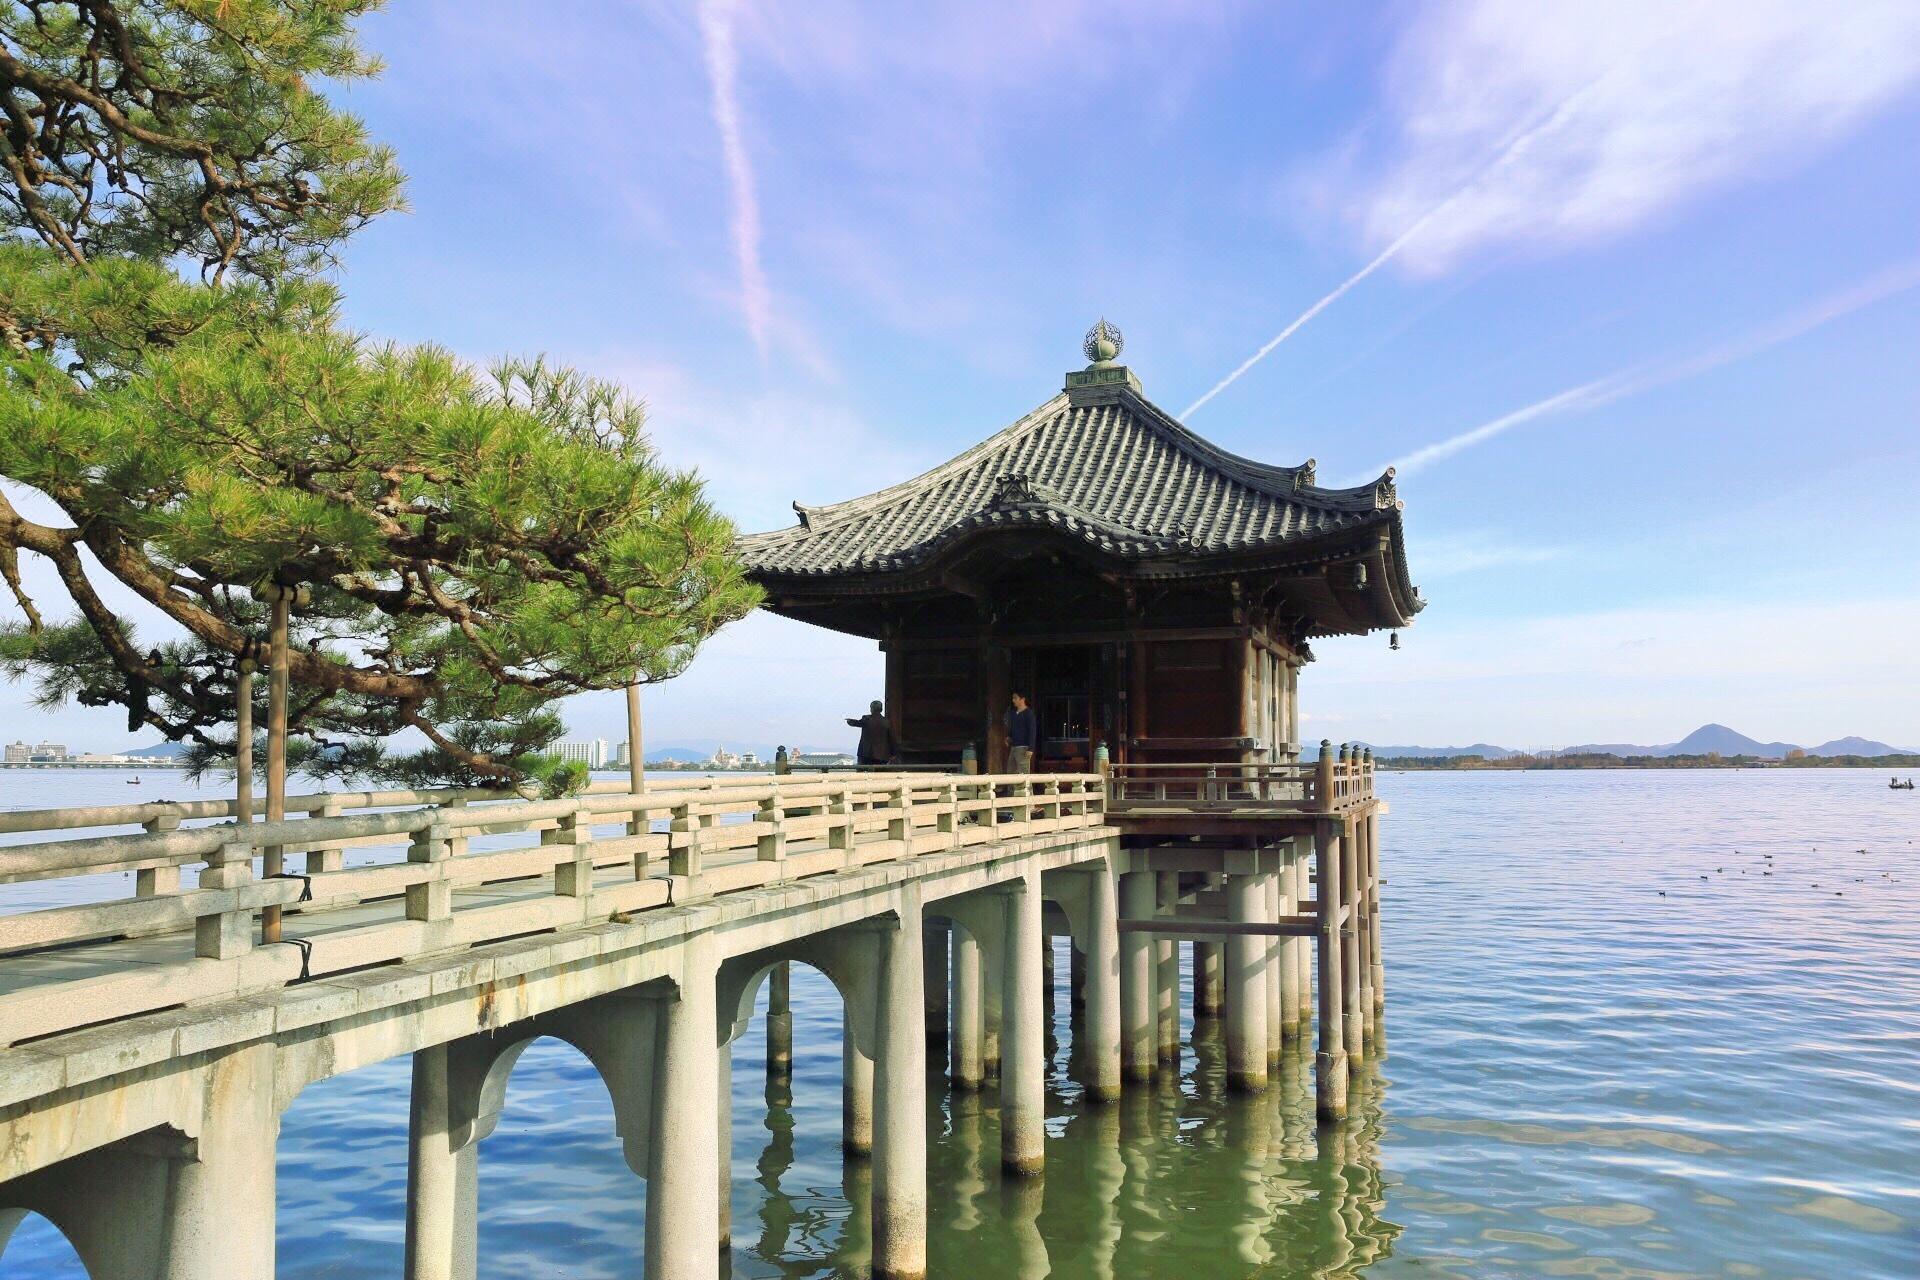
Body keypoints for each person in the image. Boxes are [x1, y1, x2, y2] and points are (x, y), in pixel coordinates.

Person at [846, 699, 896, 767]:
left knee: (863, 773)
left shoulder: (867, 719)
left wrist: (850, 721)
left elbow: (857, 723)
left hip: (866, 754)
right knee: (880, 775)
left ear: (871, 709)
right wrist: (893, 754)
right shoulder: (887, 722)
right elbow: (891, 739)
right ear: (881, 709)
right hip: (882, 755)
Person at [1005, 691, 1039, 772]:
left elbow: (1032, 731)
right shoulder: (1013, 714)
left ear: (1022, 699)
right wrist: (1009, 737)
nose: (1013, 700)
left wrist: (1031, 748)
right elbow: (1013, 728)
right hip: (1013, 747)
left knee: (1023, 773)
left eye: (1015, 698)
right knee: (1010, 771)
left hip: (1023, 748)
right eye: (1013, 698)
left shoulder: (1028, 713)